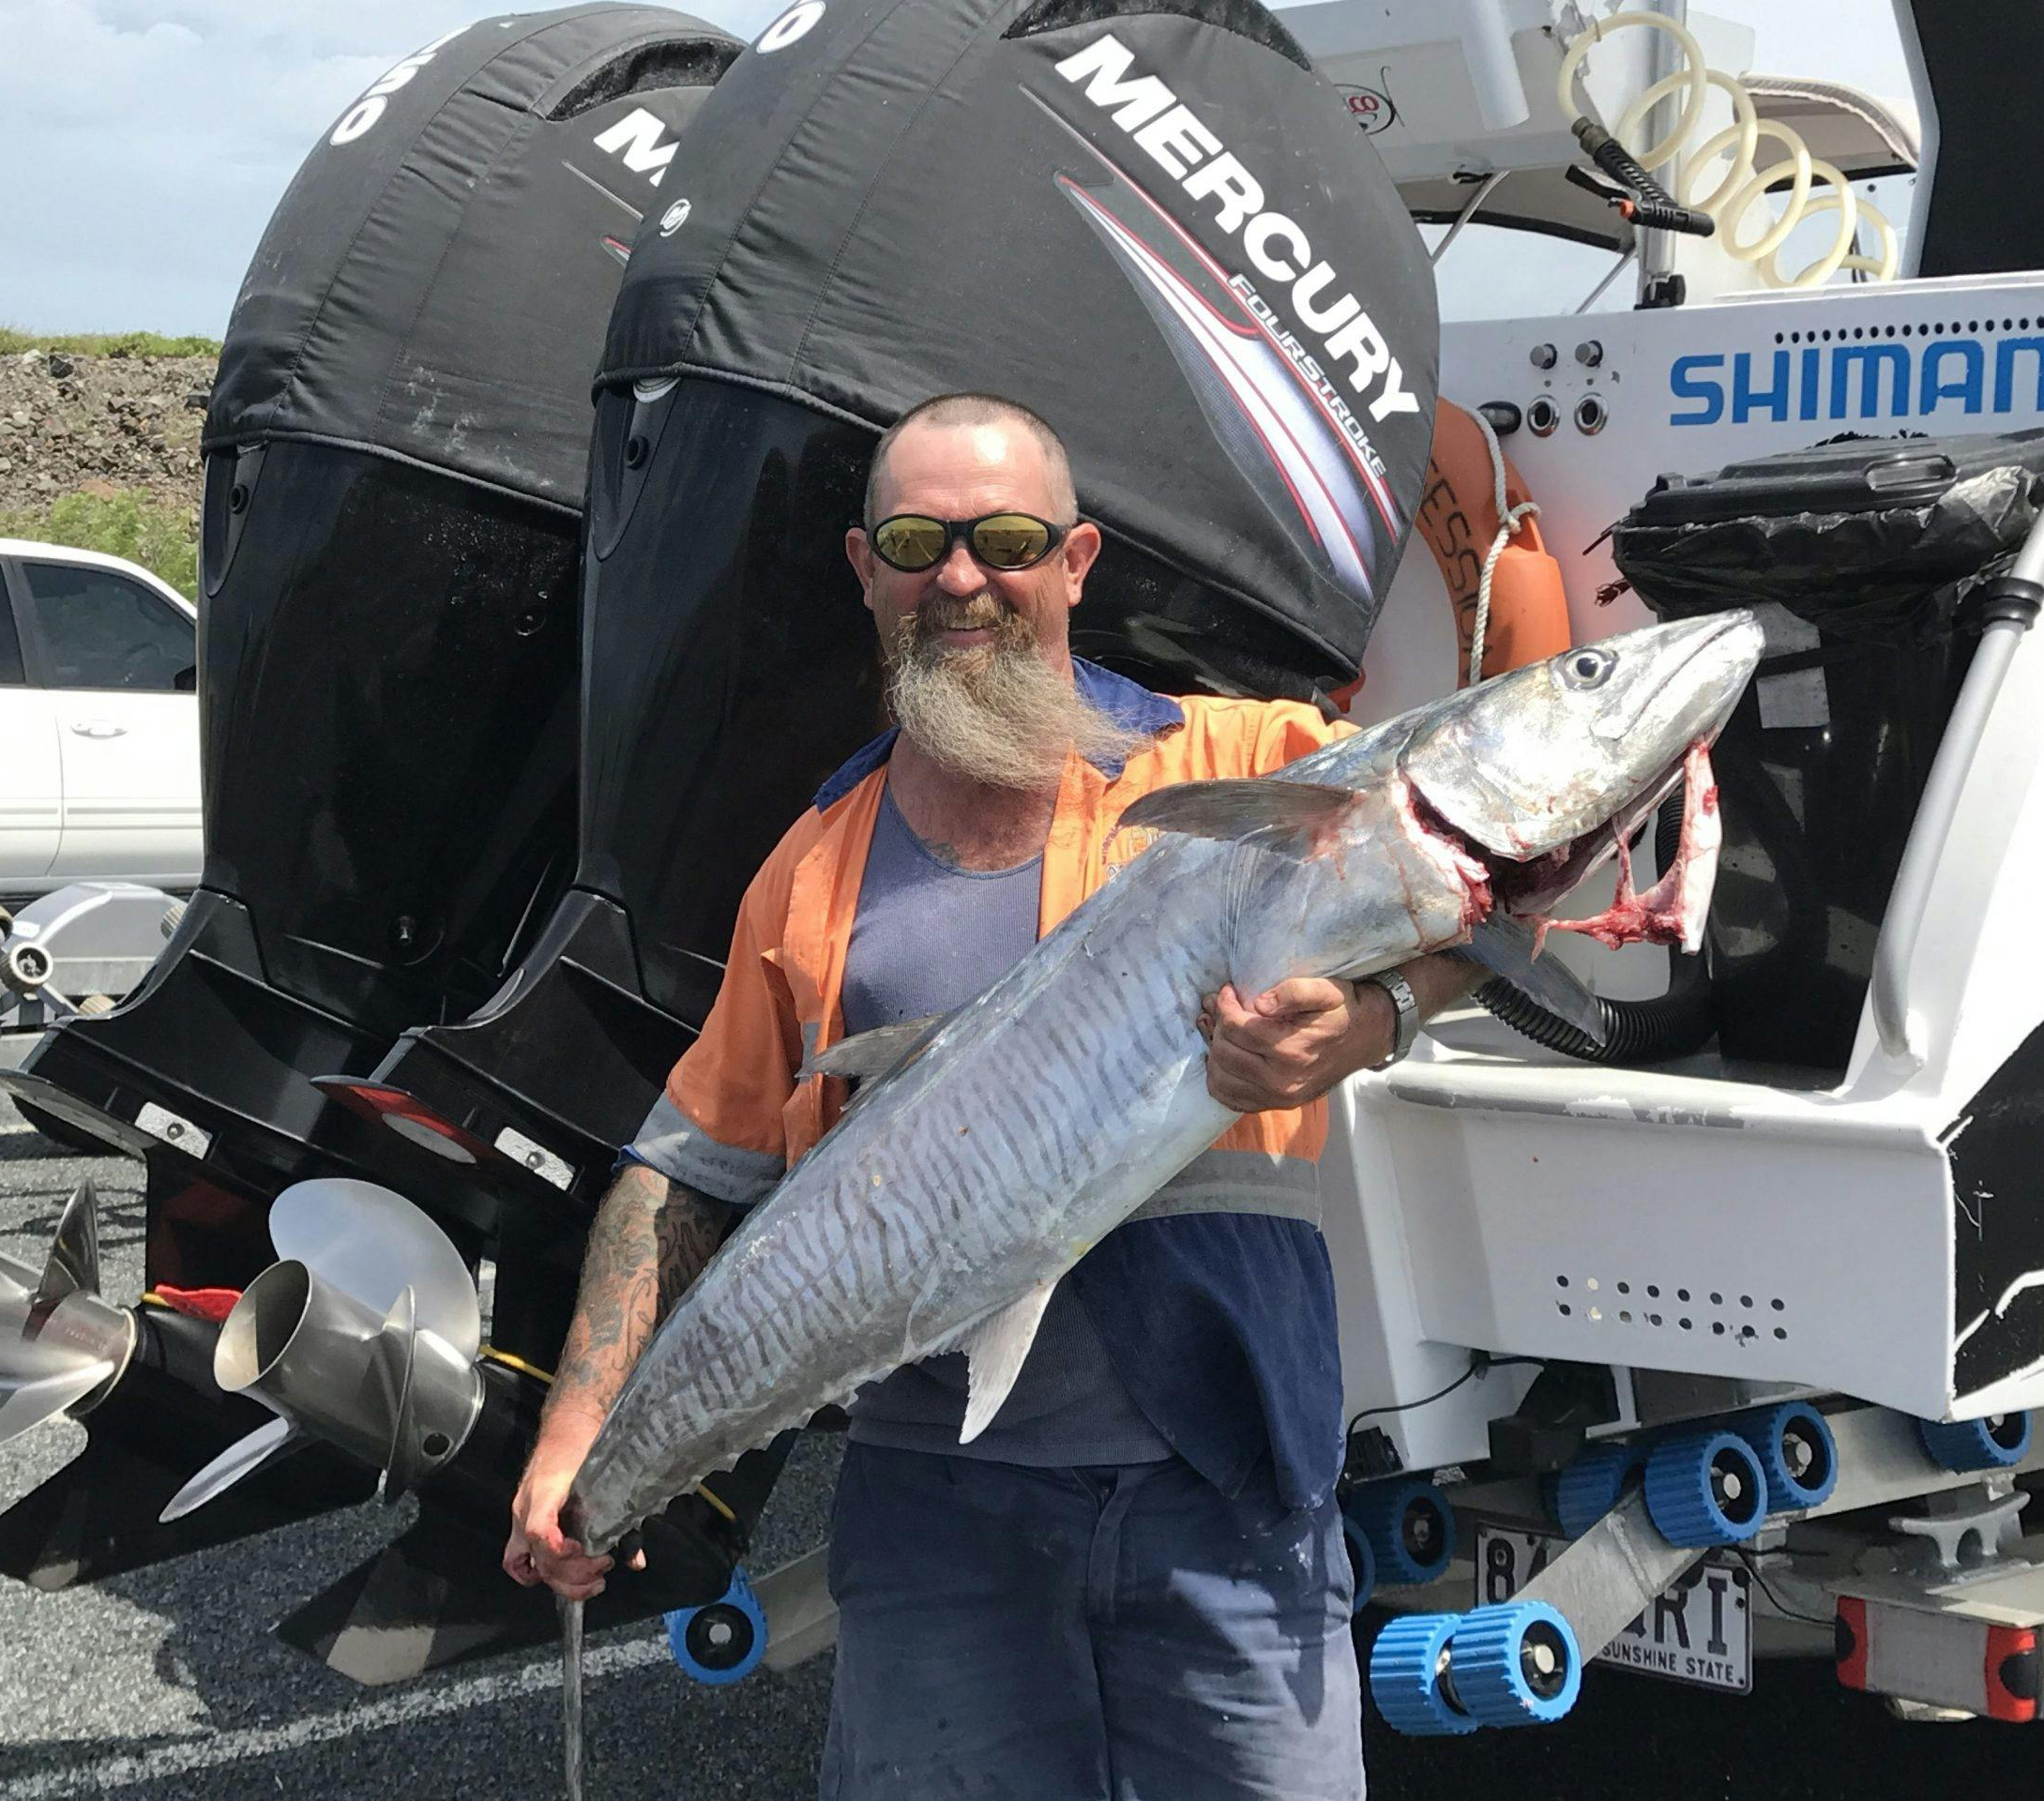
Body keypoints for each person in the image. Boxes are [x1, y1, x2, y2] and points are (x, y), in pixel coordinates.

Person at [506, 392, 1478, 1799]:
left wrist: (1374, 1019)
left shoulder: (1243, 771)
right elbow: (689, 1168)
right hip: (939, 1517)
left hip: (1228, 1487)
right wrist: (579, 1436)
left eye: (1006, 538)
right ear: (864, 569)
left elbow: (1488, 915)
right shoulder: (816, 866)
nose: (962, 577)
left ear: (1077, 560)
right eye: (918, 541)